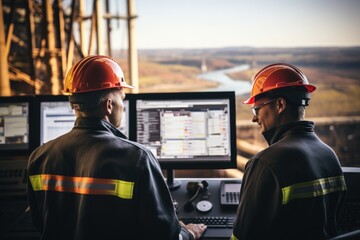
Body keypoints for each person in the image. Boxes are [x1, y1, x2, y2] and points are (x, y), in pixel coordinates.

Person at [27, 55, 206, 240]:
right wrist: (188, 233)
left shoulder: (39, 157)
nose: (123, 105)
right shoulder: (138, 159)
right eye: (122, 98)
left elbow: (41, 223)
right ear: (109, 105)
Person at [231, 63, 347, 240]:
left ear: (280, 104)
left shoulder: (266, 163)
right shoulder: (330, 156)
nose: (255, 118)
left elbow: (242, 237)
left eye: (257, 109)